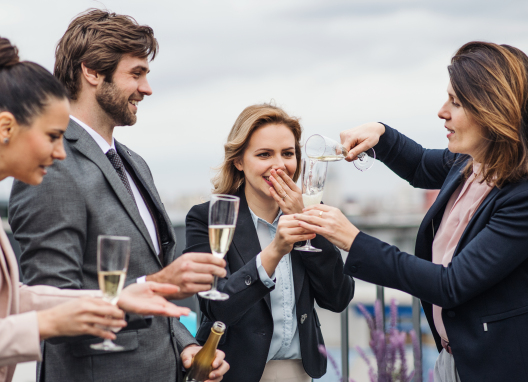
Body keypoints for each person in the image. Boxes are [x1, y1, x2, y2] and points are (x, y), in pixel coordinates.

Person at [0, 33, 190, 382]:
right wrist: (45, 324)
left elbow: (7, 299)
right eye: (53, 136)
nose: (61, 151)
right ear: (6, 127)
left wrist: (118, 299)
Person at [8, 9, 229, 382]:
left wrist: (186, 345)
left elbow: (150, 287)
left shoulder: (135, 164)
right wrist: (155, 285)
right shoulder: (50, 166)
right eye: (136, 73)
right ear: (91, 72)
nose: (147, 88)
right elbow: (52, 302)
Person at [295, 41, 528, 381]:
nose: (442, 111)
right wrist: (381, 133)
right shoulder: (470, 163)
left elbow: (451, 284)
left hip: (496, 366)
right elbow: (419, 164)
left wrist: (353, 240)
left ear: (492, 110)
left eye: (456, 102)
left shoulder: (521, 197)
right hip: (456, 358)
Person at [184, 104, 355, 382]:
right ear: (239, 161)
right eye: (264, 154)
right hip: (231, 372)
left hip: (298, 372)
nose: (279, 165)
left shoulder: (311, 210)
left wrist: (305, 221)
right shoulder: (207, 218)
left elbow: (338, 298)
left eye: (287, 154)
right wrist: (274, 251)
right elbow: (215, 307)